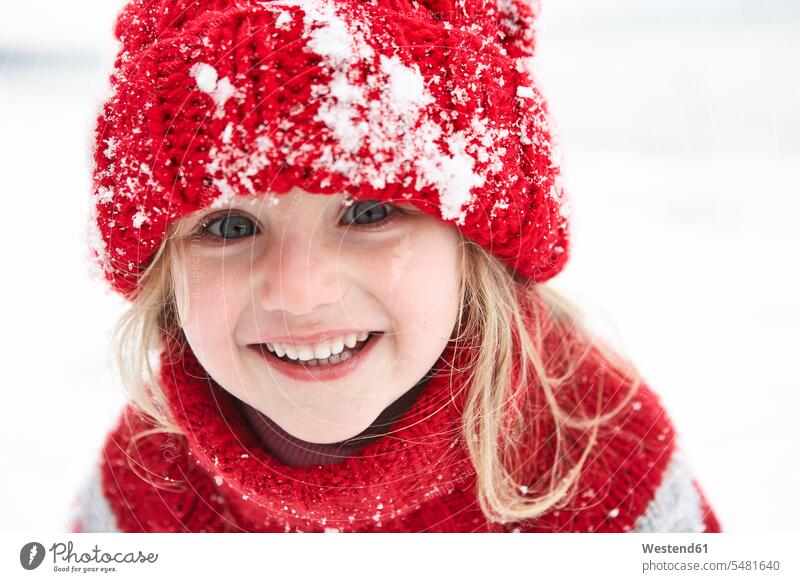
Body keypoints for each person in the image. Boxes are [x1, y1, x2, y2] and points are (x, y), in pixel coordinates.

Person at [69, 0, 721, 533]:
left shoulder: (601, 461)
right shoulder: (146, 483)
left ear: (475, 245)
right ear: (162, 270)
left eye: (370, 214)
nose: (299, 292)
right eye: (231, 226)